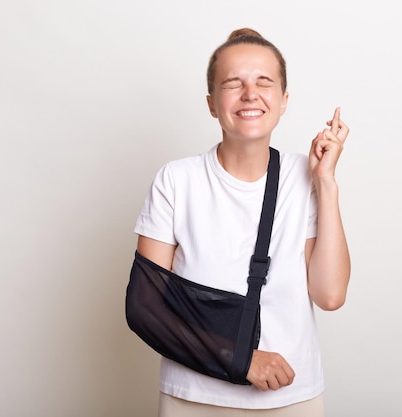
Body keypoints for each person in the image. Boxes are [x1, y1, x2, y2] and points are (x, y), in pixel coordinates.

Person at [134, 28, 351, 417]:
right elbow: (147, 308)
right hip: (193, 396)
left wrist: (326, 183)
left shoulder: (305, 175)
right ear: (211, 104)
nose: (250, 94)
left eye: (264, 82)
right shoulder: (176, 180)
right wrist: (243, 360)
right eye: (233, 84)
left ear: (284, 101)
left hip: (291, 397)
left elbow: (330, 295)